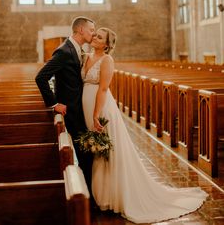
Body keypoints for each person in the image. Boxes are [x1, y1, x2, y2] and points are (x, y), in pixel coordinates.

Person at [81, 27, 208, 224]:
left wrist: (96, 114)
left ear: (107, 45)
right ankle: (101, 194)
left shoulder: (107, 60)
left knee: (106, 148)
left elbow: (104, 88)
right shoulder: (86, 56)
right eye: (95, 34)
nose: (94, 37)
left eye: (99, 36)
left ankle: (111, 197)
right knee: (96, 149)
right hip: (86, 103)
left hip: (101, 107)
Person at [35, 16, 95, 191]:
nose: (93, 33)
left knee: (86, 152)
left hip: (80, 108)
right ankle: (86, 194)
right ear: (81, 30)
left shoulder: (76, 49)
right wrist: (54, 104)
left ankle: (90, 191)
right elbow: (41, 77)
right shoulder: (64, 51)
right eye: (91, 30)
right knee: (84, 153)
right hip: (72, 111)